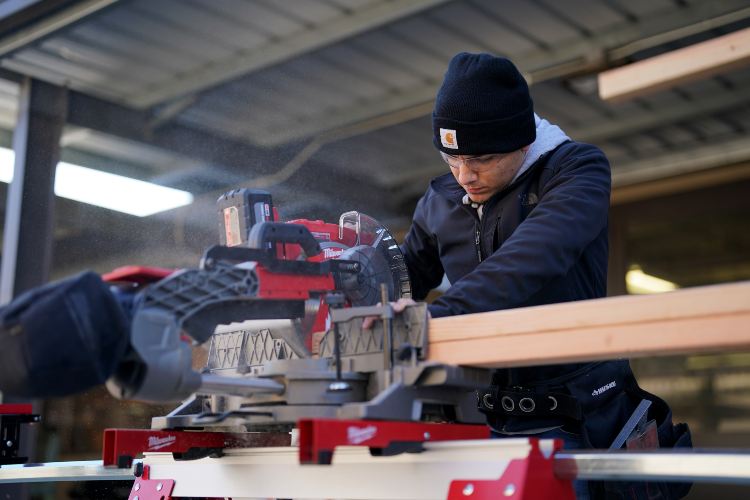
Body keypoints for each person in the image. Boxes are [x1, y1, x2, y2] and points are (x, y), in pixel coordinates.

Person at [397, 52, 691, 499]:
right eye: (451, 158)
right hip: (479, 415)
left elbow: (531, 259)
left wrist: (434, 318)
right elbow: (399, 281)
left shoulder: (576, 171)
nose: (464, 175)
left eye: (482, 158)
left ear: (521, 141)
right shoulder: (439, 199)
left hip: (573, 416)